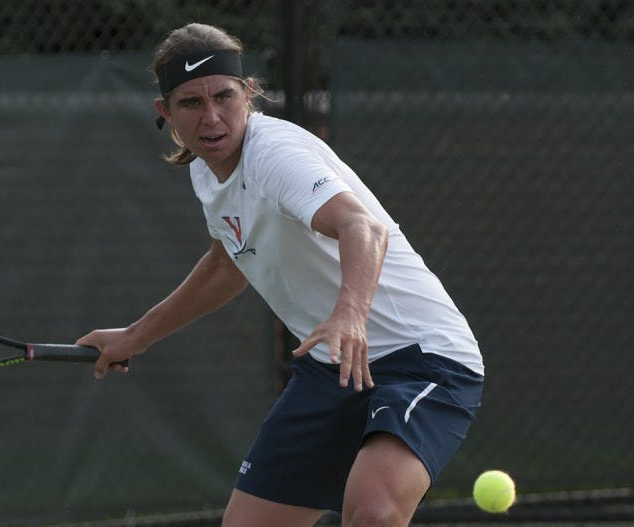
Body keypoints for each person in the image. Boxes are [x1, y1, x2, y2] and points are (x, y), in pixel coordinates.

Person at [76, 22, 484, 527]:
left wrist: (350, 316)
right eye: (191, 104)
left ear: (248, 93)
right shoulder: (207, 170)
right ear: (166, 113)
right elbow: (227, 265)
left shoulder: (275, 155)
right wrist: (135, 337)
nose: (212, 118)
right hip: (331, 366)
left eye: (224, 97)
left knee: (374, 513)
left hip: (421, 356)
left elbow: (363, 226)